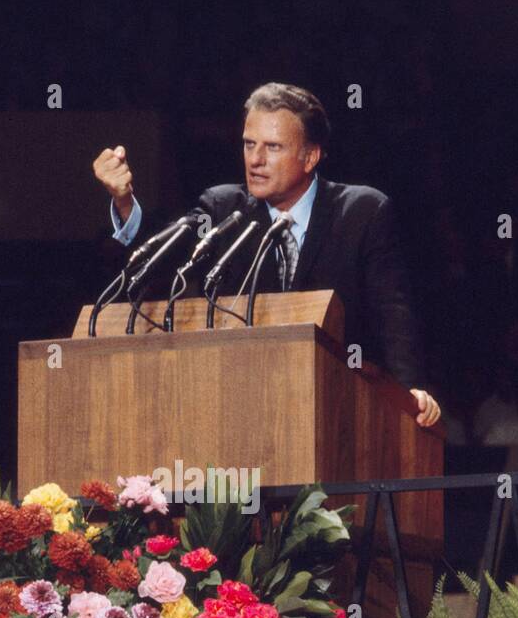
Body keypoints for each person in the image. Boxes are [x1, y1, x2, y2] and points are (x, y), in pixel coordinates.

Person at [92, 82, 440, 427]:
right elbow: (164, 259)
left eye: (273, 147)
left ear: (310, 156)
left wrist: (410, 392)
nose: (255, 160)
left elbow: (392, 313)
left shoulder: (361, 212)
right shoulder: (224, 209)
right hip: (242, 409)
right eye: (249, 144)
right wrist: (125, 202)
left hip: (341, 413)